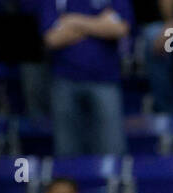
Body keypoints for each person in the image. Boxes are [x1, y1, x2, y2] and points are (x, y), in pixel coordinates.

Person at [37, 0, 130, 157]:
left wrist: (73, 21)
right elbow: (51, 39)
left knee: (112, 151)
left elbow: (120, 28)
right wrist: (99, 24)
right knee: (67, 153)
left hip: (105, 80)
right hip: (64, 80)